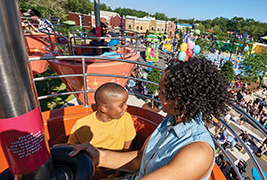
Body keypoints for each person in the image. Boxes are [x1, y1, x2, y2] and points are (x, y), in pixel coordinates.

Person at [68, 57, 232, 179]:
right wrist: (98, 155)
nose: (158, 96)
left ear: (178, 99)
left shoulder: (198, 152)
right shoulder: (169, 122)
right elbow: (141, 160)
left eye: (162, 92)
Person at [68, 83, 136, 151]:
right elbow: (72, 148)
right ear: (104, 108)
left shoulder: (126, 118)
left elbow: (128, 144)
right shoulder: (81, 124)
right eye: (121, 105)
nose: (126, 107)